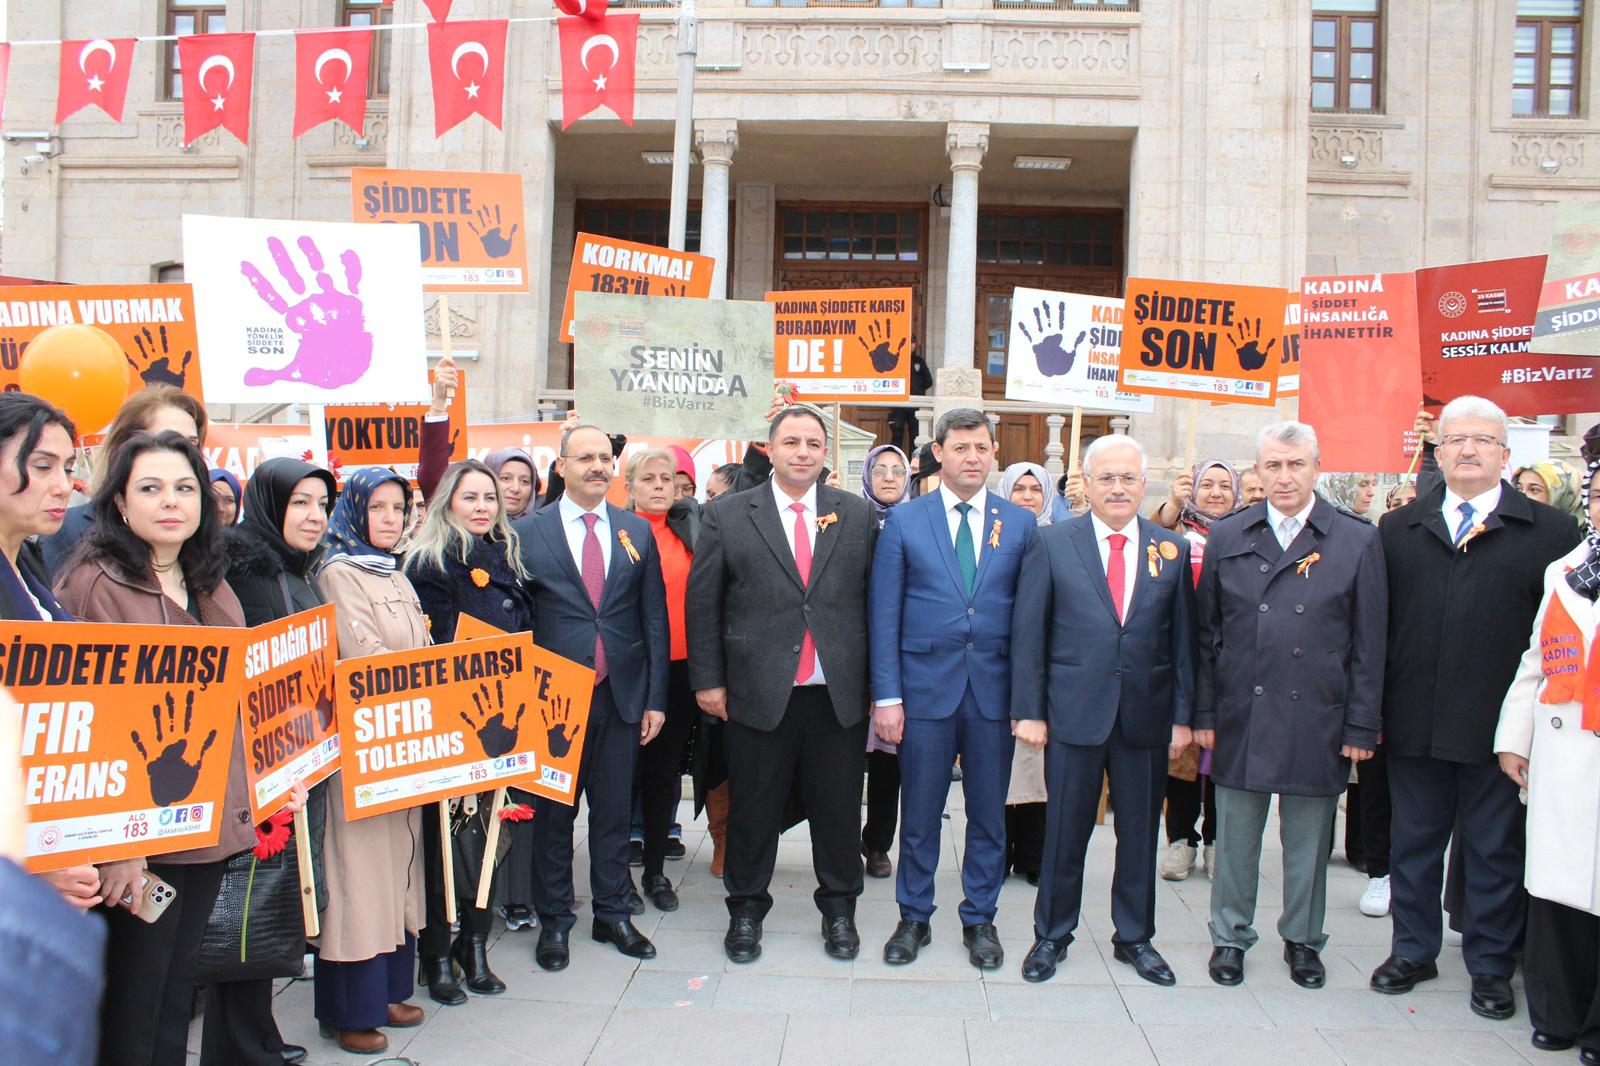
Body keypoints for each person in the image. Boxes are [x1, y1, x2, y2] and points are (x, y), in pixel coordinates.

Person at [1371, 395, 1581, 1019]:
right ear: (1437, 453)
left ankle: (1490, 965)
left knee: (1494, 852)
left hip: (1499, 730)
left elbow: (1557, 639)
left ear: (1504, 454)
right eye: (1455, 440)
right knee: (1413, 846)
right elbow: (1377, 630)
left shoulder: (1550, 533)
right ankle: (1412, 951)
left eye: (1483, 440)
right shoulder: (1398, 530)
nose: (1468, 450)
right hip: (1413, 721)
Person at [53, 430, 258, 1066]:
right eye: (150, 487)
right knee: (133, 1001)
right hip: (138, 839)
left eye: (184, 488)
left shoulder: (210, 583)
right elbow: (82, 725)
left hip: (208, 823)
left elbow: (234, 701)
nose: (170, 501)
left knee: (175, 994)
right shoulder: (92, 587)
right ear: (119, 502)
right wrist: (117, 848)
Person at [1196, 421, 1386, 990]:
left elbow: (1370, 643)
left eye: (1296, 464)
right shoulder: (1229, 534)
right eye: (1273, 465)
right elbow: (1206, 635)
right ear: (1258, 471)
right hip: (1241, 712)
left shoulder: (1355, 539)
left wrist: (1361, 724)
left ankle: (1303, 939)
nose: (1284, 476)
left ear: (1316, 469)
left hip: (1318, 714)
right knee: (1235, 838)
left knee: (1307, 842)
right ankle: (1230, 937)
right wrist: (1204, 714)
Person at [686, 406, 876, 964]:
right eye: (791, 442)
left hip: (836, 696)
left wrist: (880, 685)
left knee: (839, 812)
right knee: (753, 810)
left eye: (813, 443)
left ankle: (839, 910)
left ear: (826, 453)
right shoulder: (728, 514)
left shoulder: (856, 514)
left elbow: (874, 602)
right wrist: (708, 680)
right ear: (769, 449)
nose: (803, 452)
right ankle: (746, 911)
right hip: (756, 694)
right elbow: (704, 603)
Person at [1010, 435, 1196, 985]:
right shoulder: (1052, 543)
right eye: (1107, 478)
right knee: (1065, 833)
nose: (1118, 488)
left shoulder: (1171, 549)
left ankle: (1135, 937)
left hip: (1146, 717)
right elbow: (1029, 633)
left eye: (1129, 478)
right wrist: (1030, 710)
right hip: (1072, 714)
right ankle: (1052, 934)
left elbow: (1182, 643)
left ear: (1144, 484)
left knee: (1138, 835)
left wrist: (1181, 717)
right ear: (1086, 484)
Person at [869, 411, 1035, 970]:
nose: (972, 457)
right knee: (920, 812)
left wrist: (1027, 701)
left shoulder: (1019, 524)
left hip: (994, 694)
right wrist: (887, 697)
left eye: (982, 448)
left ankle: (980, 917)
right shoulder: (905, 521)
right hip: (923, 692)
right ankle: (913, 916)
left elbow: (1030, 619)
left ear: (993, 454)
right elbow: (884, 613)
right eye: (961, 447)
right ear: (939, 453)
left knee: (988, 815)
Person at [512, 422, 669, 971]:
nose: (598, 466)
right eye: (585, 458)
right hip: (551, 699)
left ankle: (612, 914)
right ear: (561, 467)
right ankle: (555, 920)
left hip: (620, 696)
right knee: (554, 816)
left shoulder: (634, 531)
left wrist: (655, 698)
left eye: (605, 457)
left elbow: (653, 618)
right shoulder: (526, 533)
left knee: (613, 812)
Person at [209, 457, 334, 1066]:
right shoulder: (242, 570)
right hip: (257, 771)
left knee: (273, 906)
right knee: (249, 907)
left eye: (322, 505)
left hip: (297, 759)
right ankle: (241, 1045)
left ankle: (257, 1036)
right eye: (299, 503)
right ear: (268, 505)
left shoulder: (297, 568)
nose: (314, 516)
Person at [405, 459, 533, 997]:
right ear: (448, 503)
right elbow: (434, 646)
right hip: (454, 721)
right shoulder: (429, 561)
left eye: (489, 498)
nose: (482, 507)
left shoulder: (507, 553)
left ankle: (474, 944)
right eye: (470, 497)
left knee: (490, 834)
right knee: (444, 841)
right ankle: (436, 952)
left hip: (502, 720)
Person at [314, 467, 430, 1055]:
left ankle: (386, 991)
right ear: (355, 511)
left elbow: (423, 648)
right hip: (361, 748)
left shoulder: (394, 572)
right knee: (359, 878)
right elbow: (366, 656)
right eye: (377, 508)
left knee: (398, 871)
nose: (390, 518)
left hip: (403, 744)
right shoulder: (338, 572)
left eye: (398, 508)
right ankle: (348, 1008)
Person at [1496, 457, 1600, 1059]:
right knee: (1559, 891)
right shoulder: (1566, 569)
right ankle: (1557, 1014)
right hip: (1563, 754)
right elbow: (1537, 659)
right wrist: (1514, 737)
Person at [623, 449, 701, 912]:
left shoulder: (689, 529)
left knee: (662, 775)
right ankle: (616, 876)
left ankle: (655, 872)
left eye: (666, 479)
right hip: (630, 670)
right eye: (648, 478)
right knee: (620, 775)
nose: (658, 486)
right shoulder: (617, 531)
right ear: (629, 486)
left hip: (679, 669)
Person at [1155, 459, 1238, 883]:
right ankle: (1181, 839)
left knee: (1225, 753)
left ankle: (1218, 839)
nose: (1216, 493)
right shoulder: (1176, 533)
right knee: (1182, 754)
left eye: (1225, 485)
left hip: (1229, 662)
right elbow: (1152, 535)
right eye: (1207, 484)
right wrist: (1171, 505)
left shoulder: (1245, 533)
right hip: (1180, 656)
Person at [40, 385, 208, 577]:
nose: (181, 452)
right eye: (166, 439)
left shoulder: (203, 536)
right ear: (124, 447)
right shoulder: (68, 530)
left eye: (191, 443)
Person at [996, 461, 1059, 886]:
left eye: (1035, 490)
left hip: (1047, 663)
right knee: (1002, 763)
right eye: (1018, 489)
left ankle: (1035, 855)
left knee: (1040, 763)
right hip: (1001, 662)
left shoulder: (1061, 539)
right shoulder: (996, 535)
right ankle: (999, 852)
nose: (1027, 497)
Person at [861, 443, 911, 880]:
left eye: (897, 470)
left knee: (887, 761)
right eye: (880, 470)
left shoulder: (919, 522)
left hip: (898, 659)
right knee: (842, 761)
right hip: (850, 657)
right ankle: (842, 840)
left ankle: (878, 843)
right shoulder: (848, 518)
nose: (889, 478)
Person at [483, 447, 540, 522]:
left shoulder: (543, 526)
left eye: (524, 481)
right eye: (506, 478)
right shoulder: (470, 527)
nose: (515, 488)